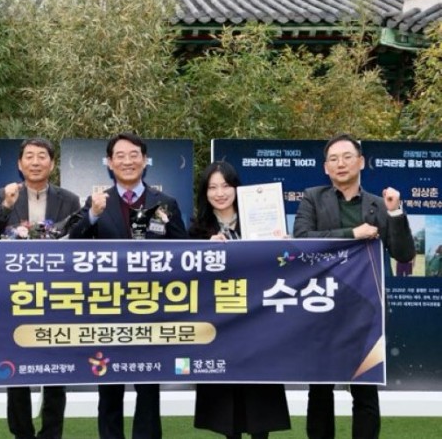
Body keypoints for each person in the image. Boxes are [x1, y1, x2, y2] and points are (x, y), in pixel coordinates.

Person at [293, 133, 415, 439]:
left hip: (366, 312)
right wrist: (352, 233)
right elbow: (302, 239)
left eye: (347, 157)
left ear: (361, 162)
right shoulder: (312, 197)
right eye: (333, 159)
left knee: (365, 392)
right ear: (325, 168)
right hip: (321, 308)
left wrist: (395, 212)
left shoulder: (380, 204)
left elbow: (404, 254)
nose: (341, 164)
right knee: (320, 392)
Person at [69, 131, 188, 439]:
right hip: (108, 309)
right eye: (119, 156)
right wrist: (92, 215)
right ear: (109, 163)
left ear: (145, 160)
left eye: (134, 155)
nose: (127, 161)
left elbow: (184, 253)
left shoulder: (166, 203)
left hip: (152, 307)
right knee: (109, 387)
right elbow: (73, 246)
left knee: (148, 387)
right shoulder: (97, 202)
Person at [0, 138, 80, 439]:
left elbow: (79, 242)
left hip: (57, 294)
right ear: (19, 163)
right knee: (16, 367)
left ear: (52, 163)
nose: (35, 162)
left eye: (42, 156)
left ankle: (52, 432)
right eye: (29, 156)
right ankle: (21, 432)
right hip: (17, 293)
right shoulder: (3, 195)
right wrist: (7, 205)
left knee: (57, 370)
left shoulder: (69, 199)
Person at [190, 161, 291, 439]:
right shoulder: (197, 230)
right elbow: (188, 276)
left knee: (260, 397)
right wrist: (204, 251)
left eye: (226, 186)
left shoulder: (261, 220)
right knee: (226, 402)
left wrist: (283, 245)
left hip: (259, 320)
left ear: (237, 188)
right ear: (205, 192)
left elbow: (283, 267)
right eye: (212, 187)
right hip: (220, 323)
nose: (220, 193)